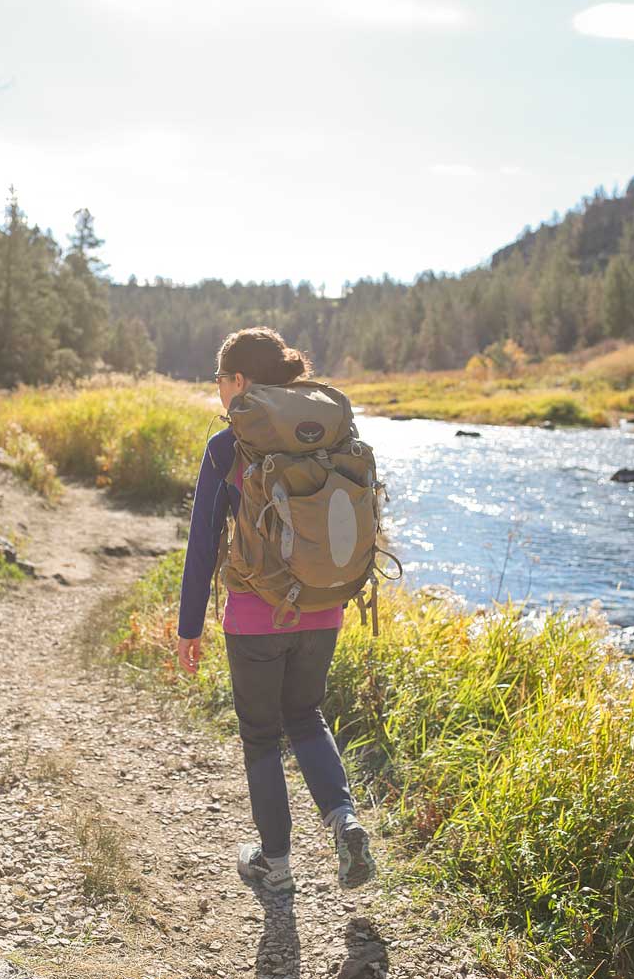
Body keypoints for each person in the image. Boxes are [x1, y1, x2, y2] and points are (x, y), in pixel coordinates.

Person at [177, 326, 376, 894]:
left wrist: (189, 626)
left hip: (255, 614)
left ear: (239, 380)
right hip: (323, 604)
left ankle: (277, 865)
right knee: (307, 716)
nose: (219, 390)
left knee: (261, 736)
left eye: (220, 379)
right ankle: (346, 823)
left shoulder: (228, 446)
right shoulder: (328, 434)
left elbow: (201, 545)